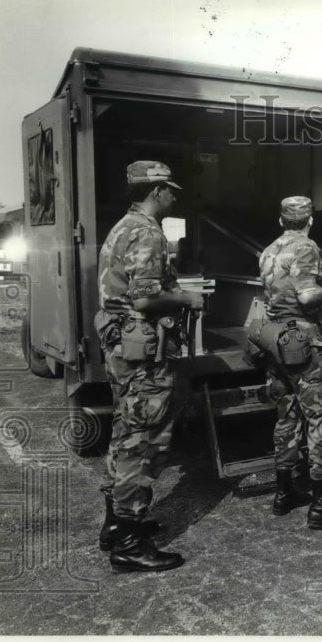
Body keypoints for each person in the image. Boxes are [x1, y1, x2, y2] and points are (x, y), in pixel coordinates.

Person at [94, 160, 204, 573]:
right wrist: (187, 299)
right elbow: (144, 299)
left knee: (126, 430)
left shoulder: (123, 226)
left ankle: (115, 524)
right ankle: (128, 543)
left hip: (122, 346)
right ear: (156, 191)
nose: (175, 196)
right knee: (144, 441)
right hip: (142, 353)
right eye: (171, 189)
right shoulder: (146, 231)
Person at [254, 195, 322, 529]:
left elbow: (277, 291)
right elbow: (307, 295)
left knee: (286, 416)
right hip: (302, 341)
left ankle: (284, 495)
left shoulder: (269, 249)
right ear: (310, 220)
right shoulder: (306, 247)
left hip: (275, 340)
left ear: (280, 220)